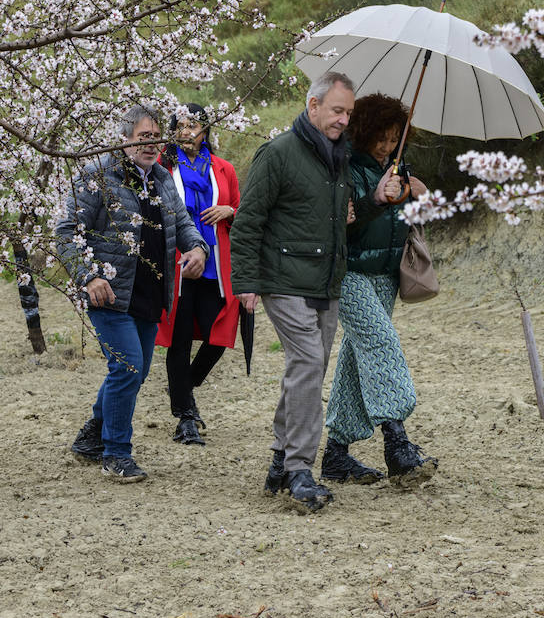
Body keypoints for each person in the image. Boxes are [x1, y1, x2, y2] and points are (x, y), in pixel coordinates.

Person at [230, 71, 401, 514]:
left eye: (349, 112)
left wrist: (376, 200)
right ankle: (299, 470)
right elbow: (248, 222)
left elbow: (342, 219)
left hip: (327, 282)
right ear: (313, 106)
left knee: (309, 368)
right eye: (337, 110)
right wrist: (245, 282)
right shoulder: (278, 154)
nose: (344, 119)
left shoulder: (340, 158)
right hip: (283, 280)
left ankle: (278, 459)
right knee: (307, 361)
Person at [56, 105, 209, 483]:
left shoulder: (161, 178)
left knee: (134, 373)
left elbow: (183, 222)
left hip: (150, 293)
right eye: (143, 137)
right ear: (124, 140)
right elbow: (66, 232)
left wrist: (198, 248)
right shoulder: (98, 176)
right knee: (127, 368)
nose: (150, 145)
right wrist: (90, 277)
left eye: (156, 137)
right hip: (108, 292)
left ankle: (92, 436)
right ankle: (115, 454)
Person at [320, 94, 439, 489]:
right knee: (381, 344)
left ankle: (336, 454)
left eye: (394, 138)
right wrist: (377, 197)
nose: (387, 145)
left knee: (357, 360)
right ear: (363, 131)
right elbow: (340, 223)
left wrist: (411, 190)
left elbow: (416, 209)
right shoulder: (343, 166)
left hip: (385, 276)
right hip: (348, 272)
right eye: (381, 138)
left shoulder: (396, 166)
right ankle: (397, 443)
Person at [155, 103, 242, 446]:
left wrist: (230, 210)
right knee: (177, 340)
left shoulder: (223, 170)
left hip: (216, 266)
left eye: (194, 126)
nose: (187, 131)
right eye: (180, 125)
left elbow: (241, 212)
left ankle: (183, 388)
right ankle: (186, 418)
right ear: (173, 129)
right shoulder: (162, 166)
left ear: (205, 131)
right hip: (177, 263)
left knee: (217, 335)